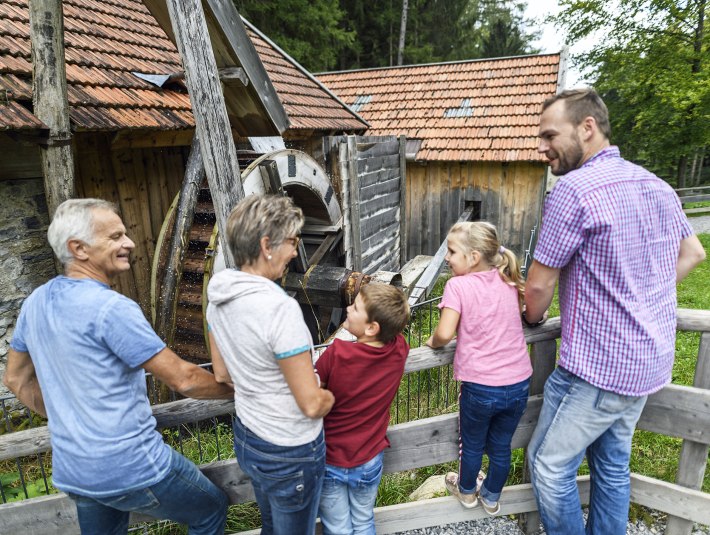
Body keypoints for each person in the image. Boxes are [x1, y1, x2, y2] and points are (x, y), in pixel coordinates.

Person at [524, 88, 706, 535]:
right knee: (611, 464)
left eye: (550, 135)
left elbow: (539, 286)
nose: (542, 147)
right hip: (648, 363)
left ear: (587, 128)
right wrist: (644, 294)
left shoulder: (572, 191)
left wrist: (530, 317)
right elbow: (694, 253)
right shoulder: (656, 184)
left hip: (600, 368)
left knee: (547, 464)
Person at [3, 198, 233, 535]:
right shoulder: (112, 309)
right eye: (115, 237)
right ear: (78, 248)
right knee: (209, 510)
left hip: (76, 472)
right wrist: (241, 389)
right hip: (131, 467)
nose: (129, 243)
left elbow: (15, 379)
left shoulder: (37, 301)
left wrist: (74, 423)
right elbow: (184, 379)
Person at [206, 194, 335, 535]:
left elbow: (221, 373)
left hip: (249, 437)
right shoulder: (279, 309)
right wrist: (329, 396)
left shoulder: (218, 297)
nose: (295, 252)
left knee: (271, 525)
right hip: (289, 448)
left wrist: (259, 385)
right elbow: (310, 404)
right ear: (266, 245)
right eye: (292, 241)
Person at [426, 221, 532, 515]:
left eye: (451, 251)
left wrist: (432, 340)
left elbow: (445, 334)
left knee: (471, 444)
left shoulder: (457, 285)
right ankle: (492, 497)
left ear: (473, 257)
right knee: (501, 445)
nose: (446, 257)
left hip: (481, 385)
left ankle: (468, 492)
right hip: (519, 382)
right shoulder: (508, 280)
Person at [315, 283, 410, 534]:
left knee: (337, 527)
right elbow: (395, 333)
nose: (348, 308)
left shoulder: (336, 354)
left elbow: (314, 392)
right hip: (369, 458)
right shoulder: (399, 349)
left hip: (331, 459)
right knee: (364, 520)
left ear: (371, 327)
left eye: (355, 307)